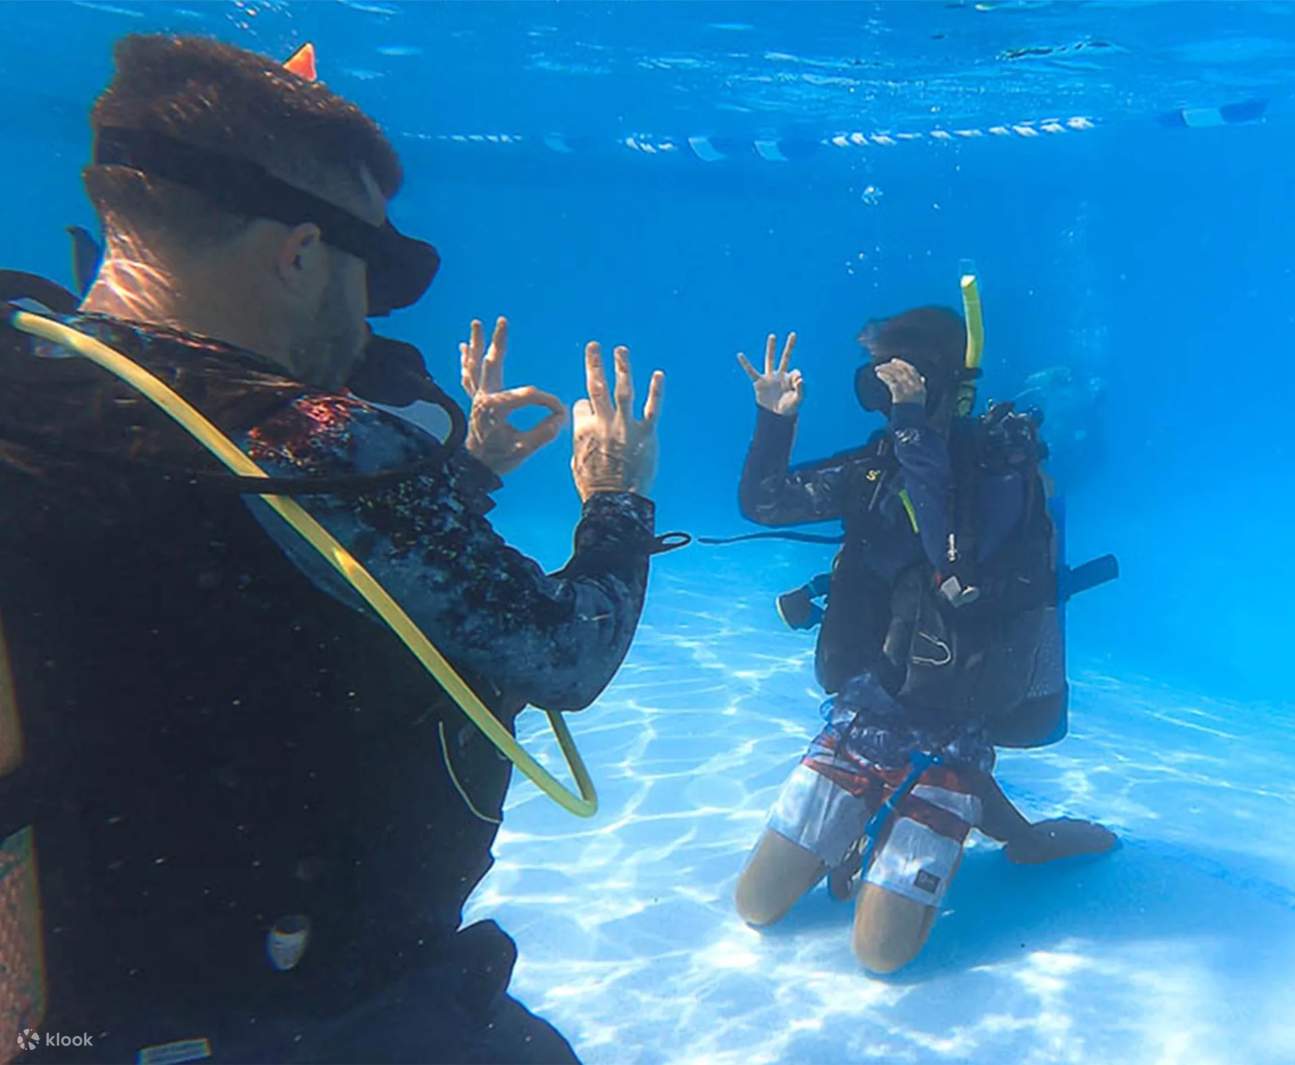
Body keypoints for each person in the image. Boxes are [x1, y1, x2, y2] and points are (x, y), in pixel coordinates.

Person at [0, 34, 665, 1063]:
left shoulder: (28, 384)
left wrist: (466, 478)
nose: (367, 322)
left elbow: (270, 579)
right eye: (370, 275)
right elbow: (563, 653)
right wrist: (615, 497)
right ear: (300, 253)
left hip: (95, 1009)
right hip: (315, 1011)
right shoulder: (305, 438)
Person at [730, 308, 1116, 973]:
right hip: (866, 716)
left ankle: (1001, 828)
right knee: (755, 904)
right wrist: (776, 418)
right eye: (877, 379)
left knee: (879, 954)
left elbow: (952, 561)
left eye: (901, 376)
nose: (885, 393)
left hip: (952, 728)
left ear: (938, 381)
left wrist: (913, 423)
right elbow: (764, 502)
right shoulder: (878, 468)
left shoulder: (999, 476)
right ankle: (902, 817)